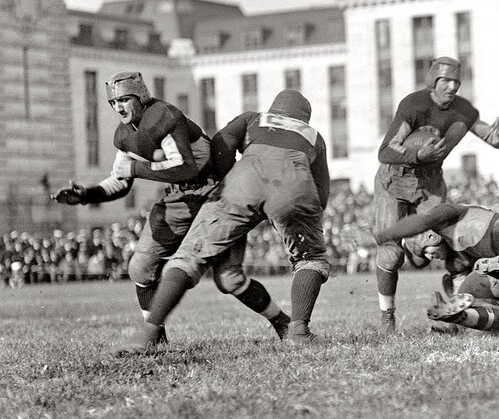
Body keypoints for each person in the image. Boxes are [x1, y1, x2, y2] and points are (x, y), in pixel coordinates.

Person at [52, 70, 289, 346]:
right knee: (140, 268)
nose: (119, 107)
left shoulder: (164, 116)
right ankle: (155, 338)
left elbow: (185, 168)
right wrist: (86, 194)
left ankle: (282, 322)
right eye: (114, 103)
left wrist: (138, 167)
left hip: (214, 197)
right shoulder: (125, 135)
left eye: (124, 100)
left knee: (229, 279)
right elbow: (121, 181)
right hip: (178, 200)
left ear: (140, 96)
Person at [115, 89, 331, 353]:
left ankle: (149, 332)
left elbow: (222, 141)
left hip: (243, 181)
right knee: (311, 259)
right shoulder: (313, 136)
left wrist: (228, 178)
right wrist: (299, 218)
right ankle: (299, 331)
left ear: (273, 109)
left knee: (188, 257)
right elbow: (321, 193)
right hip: (294, 184)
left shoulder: (254, 118)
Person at [373, 57, 499, 334]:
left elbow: (493, 140)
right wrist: (417, 154)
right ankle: (387, 317)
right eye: (445, 80)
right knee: (389, 255)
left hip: (430, 182)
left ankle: (459, 306)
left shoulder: (463, 110)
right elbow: (385, 151)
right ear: (433, 80)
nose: (451, 87)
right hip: (394, 178)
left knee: (452, 244)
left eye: (456, 82)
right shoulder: (414, 105)